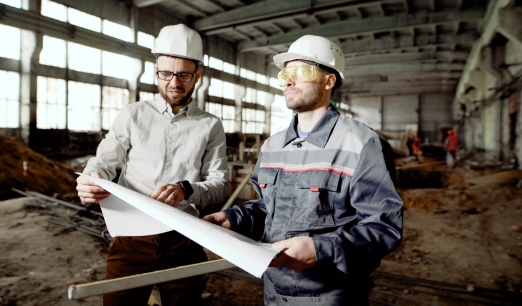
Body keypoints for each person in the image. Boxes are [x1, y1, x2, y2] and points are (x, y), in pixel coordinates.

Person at [203, 35, 403, 305]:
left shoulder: (362, 144)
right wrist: (235, 219)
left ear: (329, 80)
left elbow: (383, 227)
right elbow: (267, 209)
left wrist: (322, 249)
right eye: (285, 73)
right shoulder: (272, 146)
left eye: (299, 72)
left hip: (333, 295)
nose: (288, 80)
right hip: (273, 291)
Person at [76, 24, 228, 306]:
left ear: (198, 75)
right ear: (155, 71)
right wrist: (91, 177)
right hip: (130, 239)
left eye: (183, 74)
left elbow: (220, 184)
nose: (173, 82)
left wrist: (186, 190)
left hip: (183, 239)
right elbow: (104, 160)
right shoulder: (132, 115)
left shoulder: (211, 125)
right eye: (165, 73)